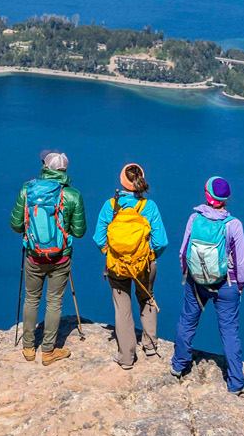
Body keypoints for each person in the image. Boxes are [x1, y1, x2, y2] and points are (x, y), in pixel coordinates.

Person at [171, 176, 244, 395]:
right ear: (227, 198)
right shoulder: (233, 224)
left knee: (187, 321)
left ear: (207, 195)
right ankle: (236, 382)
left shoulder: (194, 218)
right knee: (229, 331)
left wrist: (188, 274)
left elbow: (182, 251)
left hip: (196, 281)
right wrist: (240, 285)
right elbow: (241, 261)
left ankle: (179, 365)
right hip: (226, 284)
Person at [9, 149, 87, 364]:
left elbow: (16, 225)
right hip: (60, 258)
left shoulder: (28, 190)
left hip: (34, 256)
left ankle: (28, 348)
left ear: (45, 167)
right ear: (64, 170)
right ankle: (49, 351)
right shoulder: (72, 195)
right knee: (54, 303)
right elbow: (79, 232)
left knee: (31, 299)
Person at [93, 162, 168, 369]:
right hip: (144, 264)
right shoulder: (149, 206)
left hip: (118, 266)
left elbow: (99, 239)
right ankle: (150, 346)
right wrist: (149, 256)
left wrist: (114, 254)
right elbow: (161, 241)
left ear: (122, 181)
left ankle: (126, 357)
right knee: (147, 298)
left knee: (122, 308)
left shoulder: (110, 206)